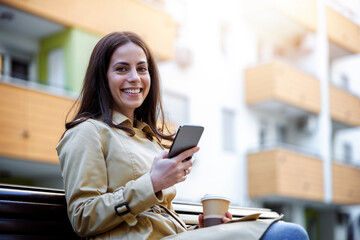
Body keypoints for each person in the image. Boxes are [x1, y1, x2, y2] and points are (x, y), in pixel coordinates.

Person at [57, 31, 309, 240]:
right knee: (287, 235)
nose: (134, 78)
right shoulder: (87, 132)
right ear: (102, 77)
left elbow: (156, 218)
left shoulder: (146, 138)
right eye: (122, 69)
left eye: (142, 69)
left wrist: (203, 229)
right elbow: (83, 217)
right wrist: (153, 183)